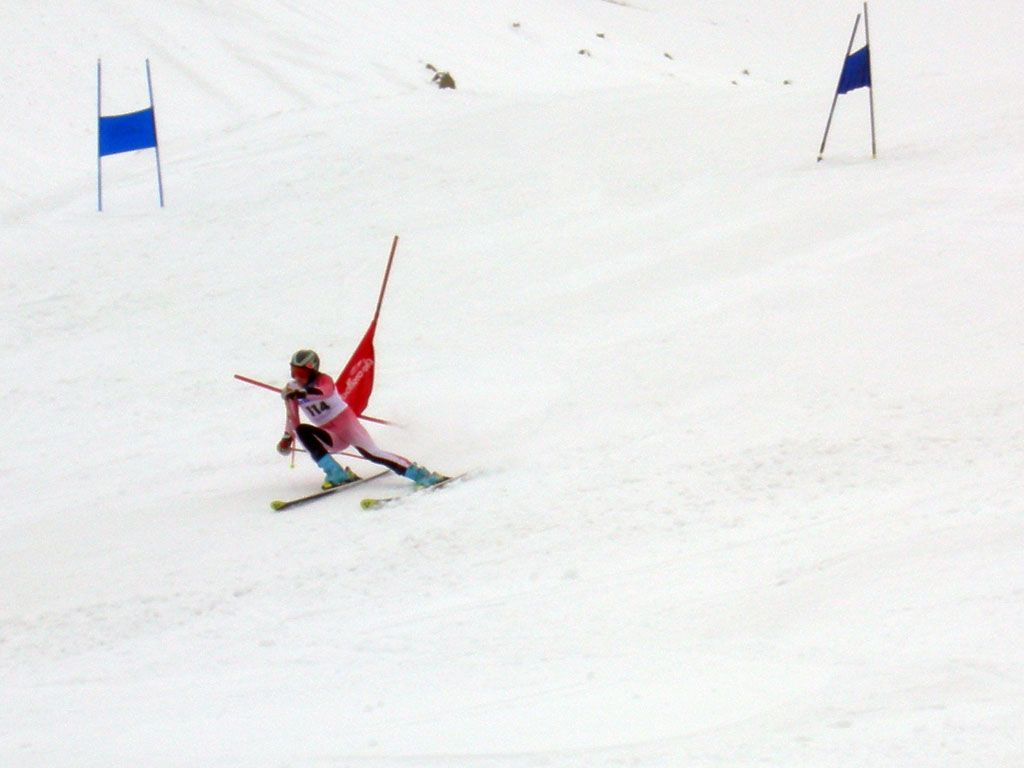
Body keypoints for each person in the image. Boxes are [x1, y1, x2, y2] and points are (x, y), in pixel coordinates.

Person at [276, 349, 447, 489]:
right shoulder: (292, 388)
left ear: (312, 369)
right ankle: (335, 473)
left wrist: (303, 393)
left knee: (372, 454)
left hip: (346, 424)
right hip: (329, 434)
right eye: (294, 372)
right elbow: (293, 419)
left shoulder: (323, 380)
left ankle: (421, 474)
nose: (297, 377)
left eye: (301, 372)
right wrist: (287, 437)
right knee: (302, 431)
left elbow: (325, 392)